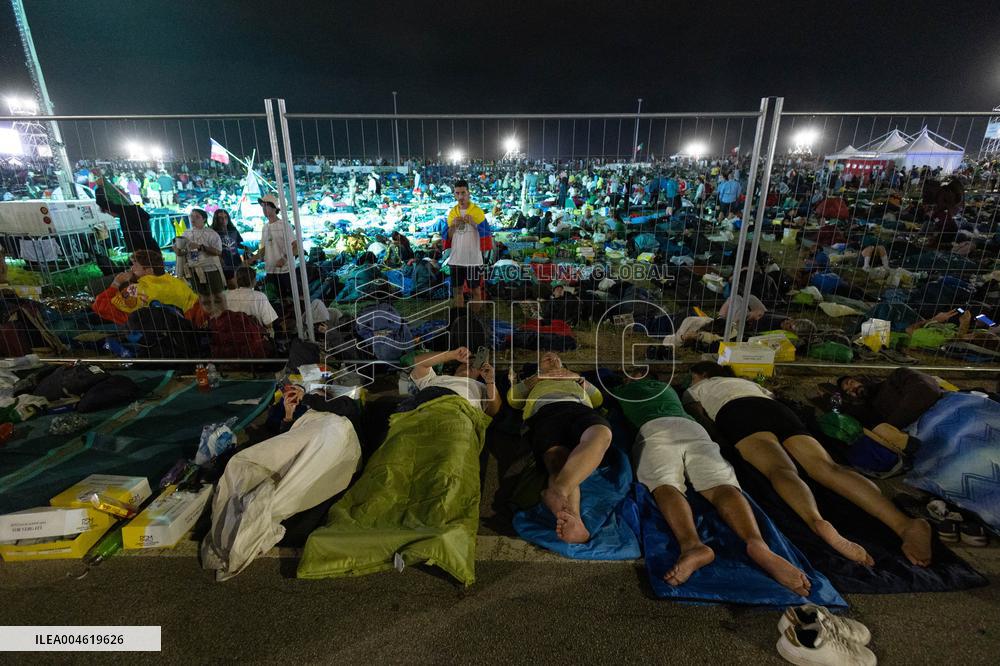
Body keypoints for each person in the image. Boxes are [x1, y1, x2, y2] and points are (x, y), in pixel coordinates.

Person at [683, 361, 932, 567]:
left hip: (736, 412)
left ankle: (816, 521)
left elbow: (697, 414)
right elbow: (773, 395)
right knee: (826, 467)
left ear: (702, 375)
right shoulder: (748, 383)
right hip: (775, 409)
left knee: (779, 470)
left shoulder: (698, 388)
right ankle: (905, 524)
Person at [617, 375, 810, 594]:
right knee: (721, 486)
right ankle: (758, 544)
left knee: (665, 485)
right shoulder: (667, 388)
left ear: (627, 381)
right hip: (694, 429)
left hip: (655, 430)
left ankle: (692, 545)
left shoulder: (622, 391)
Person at [508, 352, 612, 544]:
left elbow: (597, 400)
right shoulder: (536, 380)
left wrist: (577, 378)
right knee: (559, 460)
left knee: (601, 433)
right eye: (546, 359)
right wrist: (537, 378)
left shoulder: (573, 378)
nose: (552, 359)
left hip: (578, 408)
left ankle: (557, 490)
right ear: (539, 366)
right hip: (546, 411)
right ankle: (573, 518)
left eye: (556, 358)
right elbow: (513, 400)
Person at [92, 249, 205, 326]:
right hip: (181, 326)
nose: (131, 269)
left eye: (135, 265)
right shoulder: (176, 282)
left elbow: (100, 306)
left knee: (85, 319)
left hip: (142, 330)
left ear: (149, 270)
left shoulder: (138, 289)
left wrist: (116, 284)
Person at [837, 367, 943, 430]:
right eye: (848, 391)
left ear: (861, 378)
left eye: (851, 383)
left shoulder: (897, 376)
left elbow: (926, 389)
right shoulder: (871, 411)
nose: (852, 389)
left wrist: (891, 426)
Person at [408, 346, 502, 416]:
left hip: (458, 413)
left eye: (475, 364)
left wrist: (490, 381)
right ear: (458, 366)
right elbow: (418, 362)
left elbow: (493, 411)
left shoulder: (481, 387)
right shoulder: (436, 378)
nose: (470, 364)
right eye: (467, 362)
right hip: (427, 405)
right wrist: (453, 354)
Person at [444, 179, 492, 311]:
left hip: (473, 259)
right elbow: (448, 237)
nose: (460, 197)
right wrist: (453, 226)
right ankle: (460, 319)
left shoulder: (477, 211)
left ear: (468, 193)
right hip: (456, 259)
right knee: (457, 291)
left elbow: (487, 233)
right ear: (454, 194)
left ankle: (475, 318)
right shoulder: (452, 212)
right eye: (457, 193)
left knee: (476, 290)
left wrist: (474, 224)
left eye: (463, 193)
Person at [176, 208, 226, 316]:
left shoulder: (211, 233)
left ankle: (224, 315)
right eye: (191, 216)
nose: (193, 219)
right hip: (194, 269)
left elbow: (218, 251)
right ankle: (207, 317)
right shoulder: (186, 233)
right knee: (202, 296)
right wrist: (177, 250)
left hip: (210, 268)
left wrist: (201, 247)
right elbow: (181, 250)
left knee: (217, 295)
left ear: (204, 219)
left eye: (197, 217)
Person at [252, 194, 297, 300]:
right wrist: (250, 260)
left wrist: (285, 258)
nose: (264, 209)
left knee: (289, 299)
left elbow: (296, 247)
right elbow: (263, 249)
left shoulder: (284, 225)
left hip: (285, 271)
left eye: (266, 205)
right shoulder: (265, 227)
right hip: (270, 270)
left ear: (274, 208)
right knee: (276, 299)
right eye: (262, 206)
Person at [224, 266, 278, 332]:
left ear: (236, 280)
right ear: (254, 281)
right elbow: (268, 323)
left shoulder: (226, 295)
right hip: (255, 337)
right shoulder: (259, 296)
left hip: (232, 334)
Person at [212, 209, 246, 289]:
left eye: (225, 217)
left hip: (236, 261)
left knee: (240, 285)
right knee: (231, 286)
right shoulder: (212, 232)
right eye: (220, 217)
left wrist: (247, 251)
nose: (223, 220)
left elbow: (240, 243)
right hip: (223, 264)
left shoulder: (233, 230)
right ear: (216, 219)